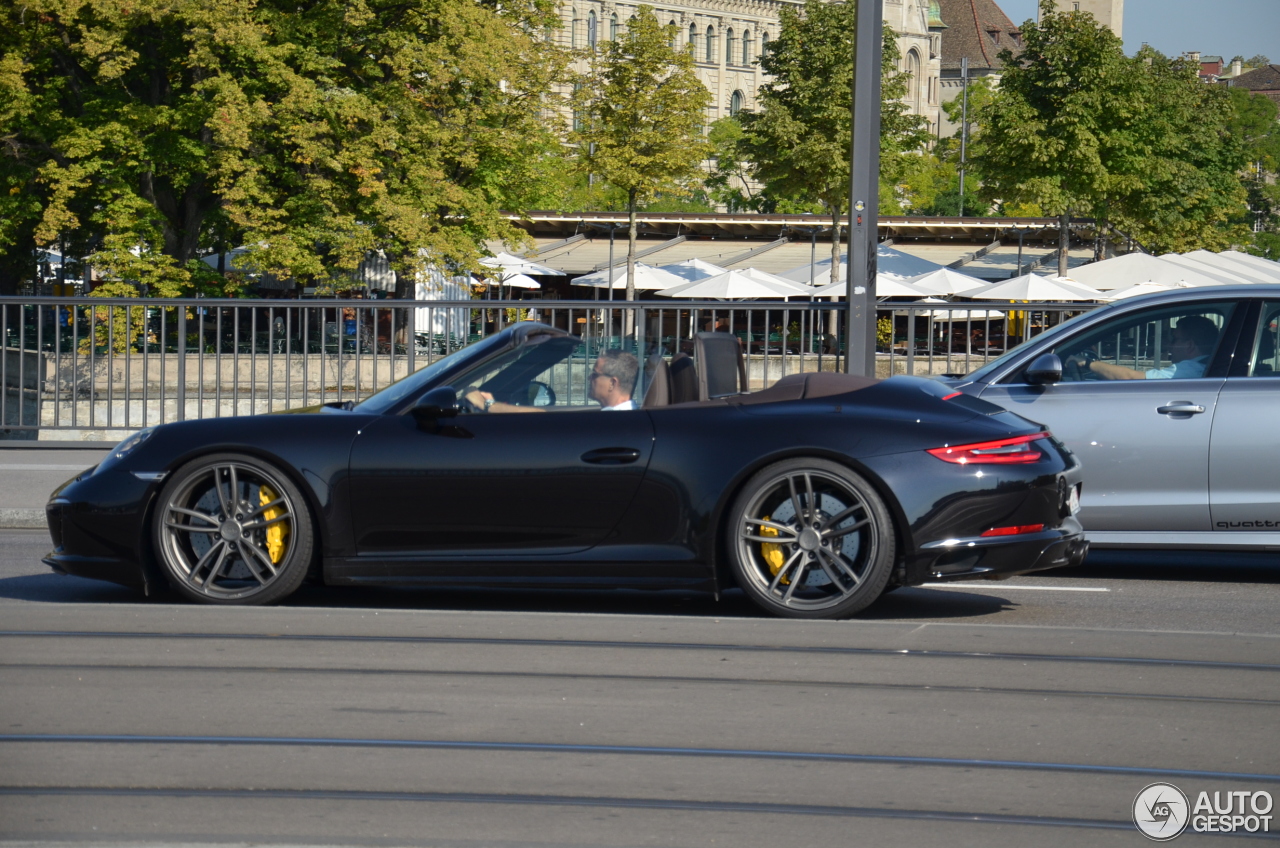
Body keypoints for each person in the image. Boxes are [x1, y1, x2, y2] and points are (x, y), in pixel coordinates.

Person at [464, 349, 639, 412]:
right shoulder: (624, 415)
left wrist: (487, 405)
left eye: (595, 374)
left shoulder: (615, 421)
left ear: (612, 383)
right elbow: (553, 413)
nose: (589, 378)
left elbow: (543, 416)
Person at [1070, 316, 1218, 381]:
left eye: (1174, 339)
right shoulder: (1208, 366)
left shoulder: (1191, 369)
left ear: (1190, 345)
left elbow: (1131, 378)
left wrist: (1087, 363)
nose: (1169, 345)